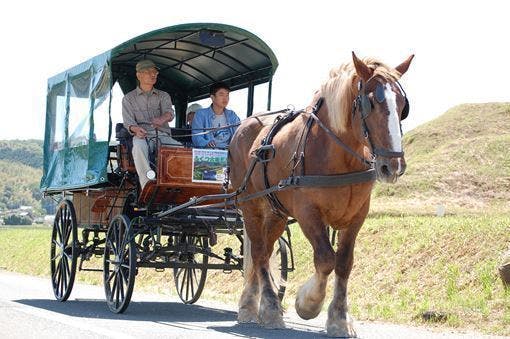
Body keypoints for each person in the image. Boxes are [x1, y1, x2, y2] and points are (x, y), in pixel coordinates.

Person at [122, 59, 181, 189]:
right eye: (149, 72)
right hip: (141, 136)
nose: (153, 75)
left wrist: (161, 119)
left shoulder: (163, 96)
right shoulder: (128, 98)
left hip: (162, 135)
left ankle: (181, 184)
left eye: (155, 72)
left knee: (183, 151)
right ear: (139, 75)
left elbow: (169, 113)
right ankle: (148, 185)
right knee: (138, 148)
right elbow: (129, 122)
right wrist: (136, 129)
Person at [192, 82, 240, 148]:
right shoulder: (201, 114)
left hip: (229, 153)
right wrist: (206, 143)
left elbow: (239, 133)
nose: (225, 98)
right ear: (212, 97)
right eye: (221, 95)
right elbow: (196, 136)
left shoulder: (232, 115)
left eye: (227, 95)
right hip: (209, 154)